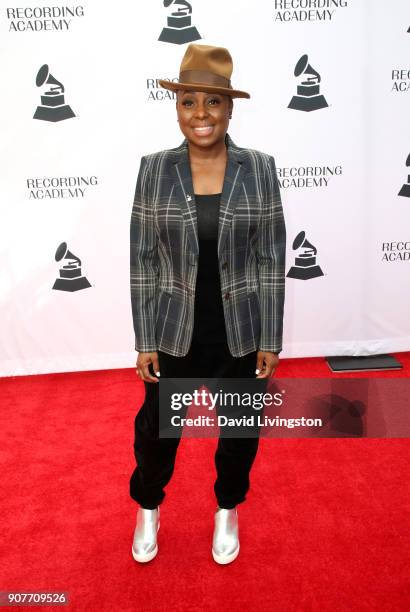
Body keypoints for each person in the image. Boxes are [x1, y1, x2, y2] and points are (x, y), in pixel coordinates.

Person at [129, 43, 286, 564]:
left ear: (230, 108)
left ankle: (227, 508)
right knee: (156, 436)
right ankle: (149, 505)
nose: (201, 114)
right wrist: (144, 338)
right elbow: (144, 261)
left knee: (239, 432)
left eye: (212, 102)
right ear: (176, 109)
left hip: (239, 333)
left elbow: (270, 257)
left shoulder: (259, 168)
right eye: (189, 102)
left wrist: (271, 338)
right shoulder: (153, 169)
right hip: (173, 332)